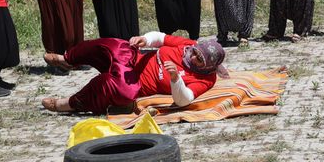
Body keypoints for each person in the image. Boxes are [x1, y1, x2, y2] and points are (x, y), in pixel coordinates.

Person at [41, 32, 229, 114]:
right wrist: (144, 39)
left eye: (199, 59)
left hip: (134, 83)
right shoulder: (188, 45)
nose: (193, 55)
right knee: (116, 44)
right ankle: (67, 59)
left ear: (207, 66)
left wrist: (175, 79)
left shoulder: (206, 79)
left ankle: (68, 104)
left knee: (121, 90)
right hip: (132, 60)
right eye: (195, 51)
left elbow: (184, 99)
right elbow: (160, 38)